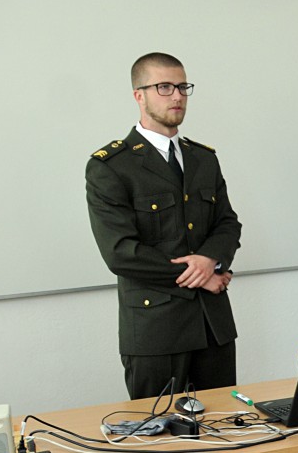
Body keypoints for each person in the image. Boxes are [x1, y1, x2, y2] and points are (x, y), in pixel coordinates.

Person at [86, 52, 242, 400]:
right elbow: (121, 252)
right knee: (157, 429)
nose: (177, 96)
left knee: (224, 423)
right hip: (155, 330)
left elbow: (227, 224)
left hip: (212, 326)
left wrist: (210, 260)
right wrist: (202, 276)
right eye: (164, 87)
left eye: (183, 87)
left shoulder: (203, 158)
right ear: (138, 95)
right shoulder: (111, 166)